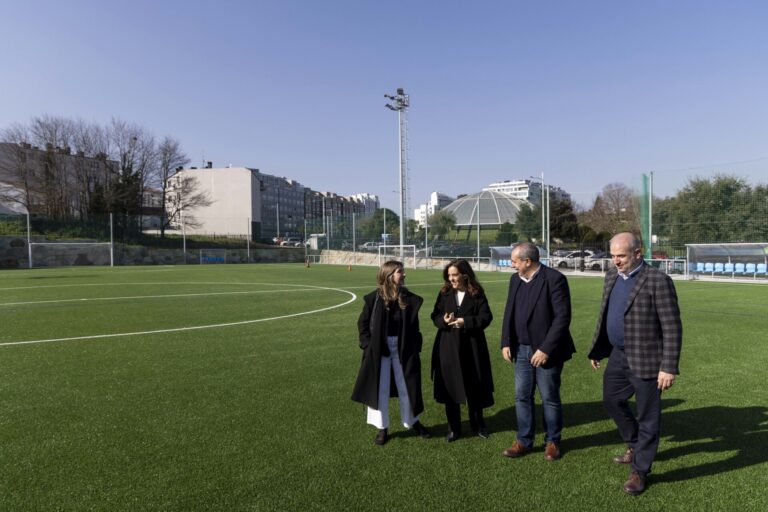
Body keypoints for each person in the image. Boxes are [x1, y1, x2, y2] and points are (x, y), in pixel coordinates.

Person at [588, 232, 682, 496]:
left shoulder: (658, 281)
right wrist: (598, 349)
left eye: (621, 256)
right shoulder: (611, 276)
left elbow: (672, 326)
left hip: (648, 359)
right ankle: (634, 444)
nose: (615, 261)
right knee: (611, 400)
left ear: (638, 254)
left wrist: (668, 366)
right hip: (618, 355)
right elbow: (606, 314)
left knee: (648, 416)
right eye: (613, 255)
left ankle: (640, 471)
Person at [500, 242, 575, 461]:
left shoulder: (554, 279)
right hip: (521, 349)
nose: (512, 265)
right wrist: (506, 342)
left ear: (527, 261)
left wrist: (545, 349)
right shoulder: (515, 280)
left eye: (515, 261)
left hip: (545, 352)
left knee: (549, 397)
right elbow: (509, 312)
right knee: (522, 395)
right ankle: (524, 441)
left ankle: (552, 441)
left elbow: (562, 318)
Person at [351, 260, 431, 445]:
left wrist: (415, 345)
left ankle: (414, 422)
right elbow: (363, 324)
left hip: (404, 348)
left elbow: (414, 327)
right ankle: (382, 428)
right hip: (379, 349)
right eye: (400, 272)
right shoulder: (374, 298)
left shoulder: (408, 298)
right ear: (389, 276)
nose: (404, 275)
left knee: (407, 386)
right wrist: (368, 345)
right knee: (381, 387)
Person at [430, 259, 494, 442]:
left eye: (455, 275)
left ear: (465, 274)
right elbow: (434, 315)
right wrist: (444, 320)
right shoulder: (444, 293)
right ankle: (454, 428)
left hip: (472, 346)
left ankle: (478, 424)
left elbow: (486, 317)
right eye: (449, 275)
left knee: (474, 385)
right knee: (450, 386)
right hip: (447, 346)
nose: (451, 279)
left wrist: (465, 322)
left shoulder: (476, 293)